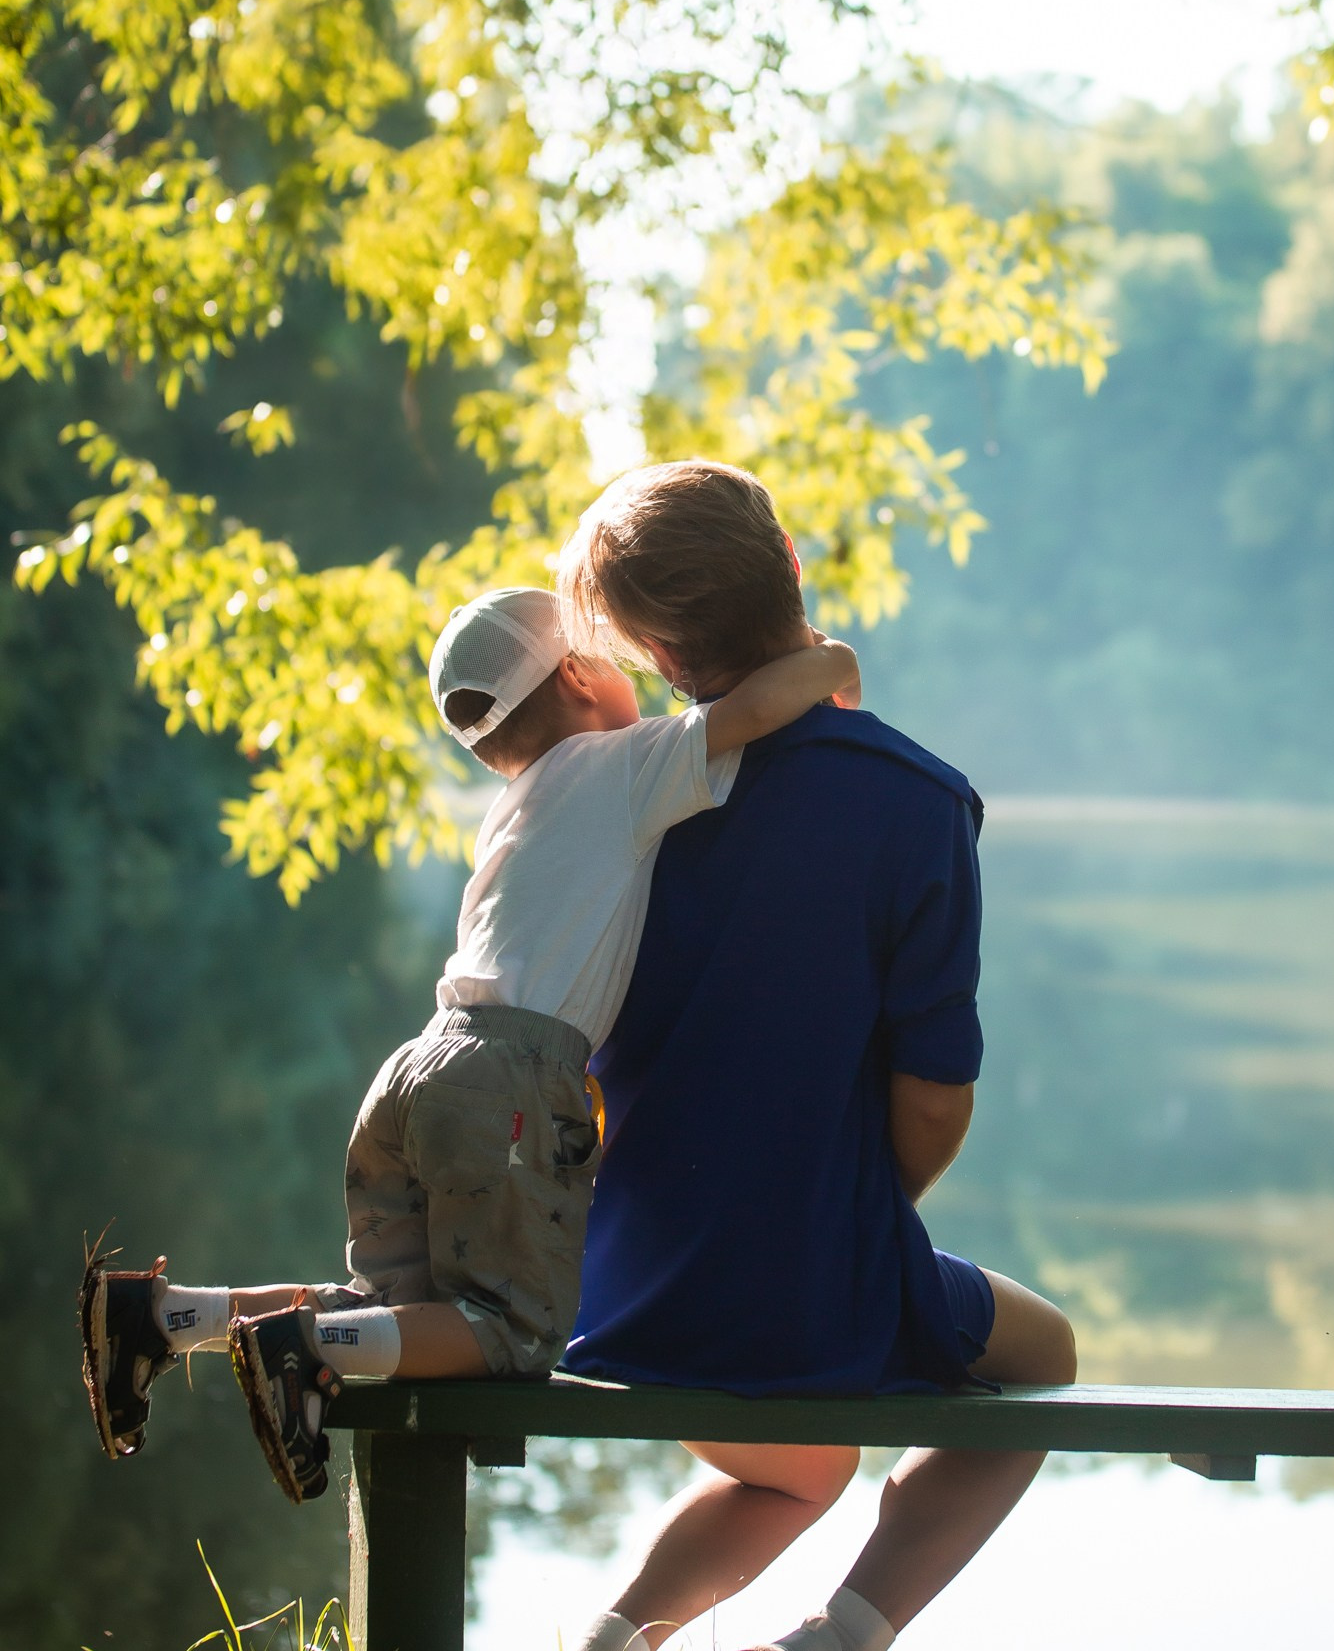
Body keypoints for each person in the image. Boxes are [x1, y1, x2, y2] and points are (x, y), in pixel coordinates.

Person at [494, 460, 1076, 1651]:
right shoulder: (915, 801)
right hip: (798, 1286)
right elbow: (931, 1100)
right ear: (792, 563)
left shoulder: (607, 799)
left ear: (647, 646)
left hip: (617, 1289)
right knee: (1042, 1361)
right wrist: (856, 1211)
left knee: (800, 1463)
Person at [79, 584, 858, 1502]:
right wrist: (833, 662)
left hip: (422, 1065)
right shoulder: (619, 765)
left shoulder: (518, 801)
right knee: (511, 1335)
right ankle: (302, 1348)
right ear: (576, 672)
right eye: (613, 653)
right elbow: (757, 711)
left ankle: (164, 1316)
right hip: (511, 1080)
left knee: (401, 1317)